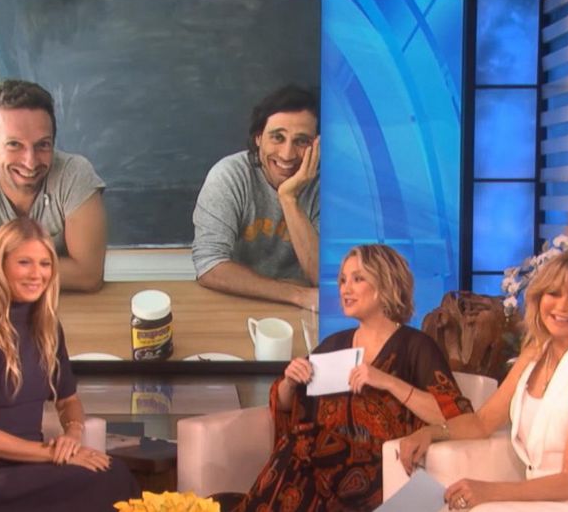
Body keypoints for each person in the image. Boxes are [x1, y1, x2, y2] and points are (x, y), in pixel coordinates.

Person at [398, 249, 568, 511]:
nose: (562, 306)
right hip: (548, 501)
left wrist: (488, 491)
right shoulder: (534, 354)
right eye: (553, 293)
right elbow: (482, 423)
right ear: (539, 297)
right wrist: (430, 432)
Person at [230, 244, 471, 511]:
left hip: (381, 472)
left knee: (303, 446)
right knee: (297, 451)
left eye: (358, 279)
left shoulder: (416, 346)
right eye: (343, 280)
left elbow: (453, 416)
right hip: (320, 469)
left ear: (386, 283)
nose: (346, 289)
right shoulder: (333, 345)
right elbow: (289, 408)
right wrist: (290, 382)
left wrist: (389, 382)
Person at [0, 217, 138, 511]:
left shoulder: (47, 329)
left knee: (113, 473)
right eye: (24, 263)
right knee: (100, 482)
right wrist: (52, 453)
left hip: (33, 468)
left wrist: (71, 436)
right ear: (0, 266)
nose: (37, 274)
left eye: (45, 264)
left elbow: (68, 401)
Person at [0, 80, 107, 307]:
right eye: (14, 144)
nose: (30, 162)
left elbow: (88, 276)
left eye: (42, 145)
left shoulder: (75, 173)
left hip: (67, 307)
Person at [192, 84, 320, 310]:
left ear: (317, 146)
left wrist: (288, 198)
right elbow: (209, 266)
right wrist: (297, 295)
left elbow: (322, 277)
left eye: (301, 141)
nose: (287, 154)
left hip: (301, 309)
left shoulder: (326, 187)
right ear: (259, 137)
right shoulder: (229, 176)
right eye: (277, 137)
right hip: (240, 298)